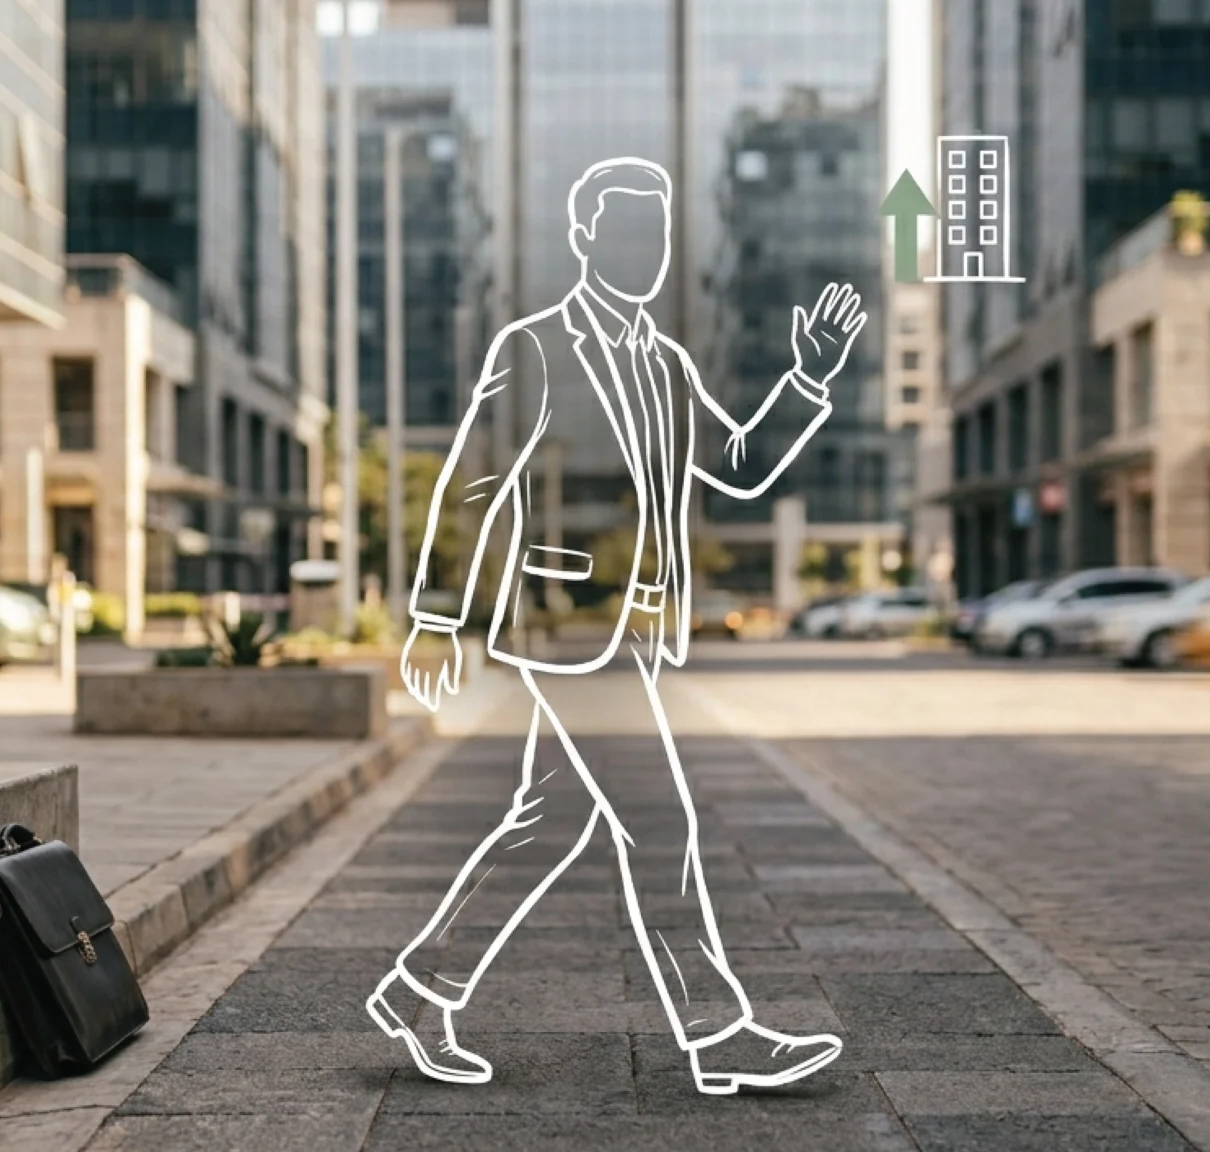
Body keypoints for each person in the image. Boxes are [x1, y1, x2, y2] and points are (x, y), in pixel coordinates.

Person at [367, 156, 868, 1096]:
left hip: (641, 629)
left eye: (658, 237)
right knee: (657, 817)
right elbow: (473, 480)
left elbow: (743, 467)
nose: (644, 254)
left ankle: (420, 990)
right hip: (567, 639)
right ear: (587, 239)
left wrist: (806, 378)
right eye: (626, 233)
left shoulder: (668, 363)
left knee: (547, 823)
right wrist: (436, 617)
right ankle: (718, 1035)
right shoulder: (535, 347)